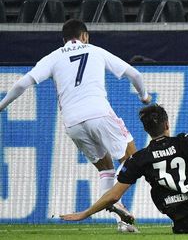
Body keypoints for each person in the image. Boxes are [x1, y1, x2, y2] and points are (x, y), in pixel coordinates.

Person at [0, 19, 151, 233]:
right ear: (85, 36)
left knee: (105, 167)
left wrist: (1, 106)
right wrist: (144, 96)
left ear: (64, 40)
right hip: (99, 113)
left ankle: (122, 223)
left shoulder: (53, 57)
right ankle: (114, 201)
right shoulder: (96, 50)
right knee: (133, 158)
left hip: (72, 123)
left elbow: (22, 83)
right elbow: (135, 74)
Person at [61, 99, 188, 234]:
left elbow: (113, 196)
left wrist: (85, 213)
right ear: (167, 124)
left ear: (146, 130)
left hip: (183, 225)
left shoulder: (139, 159)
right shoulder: (184, 142)